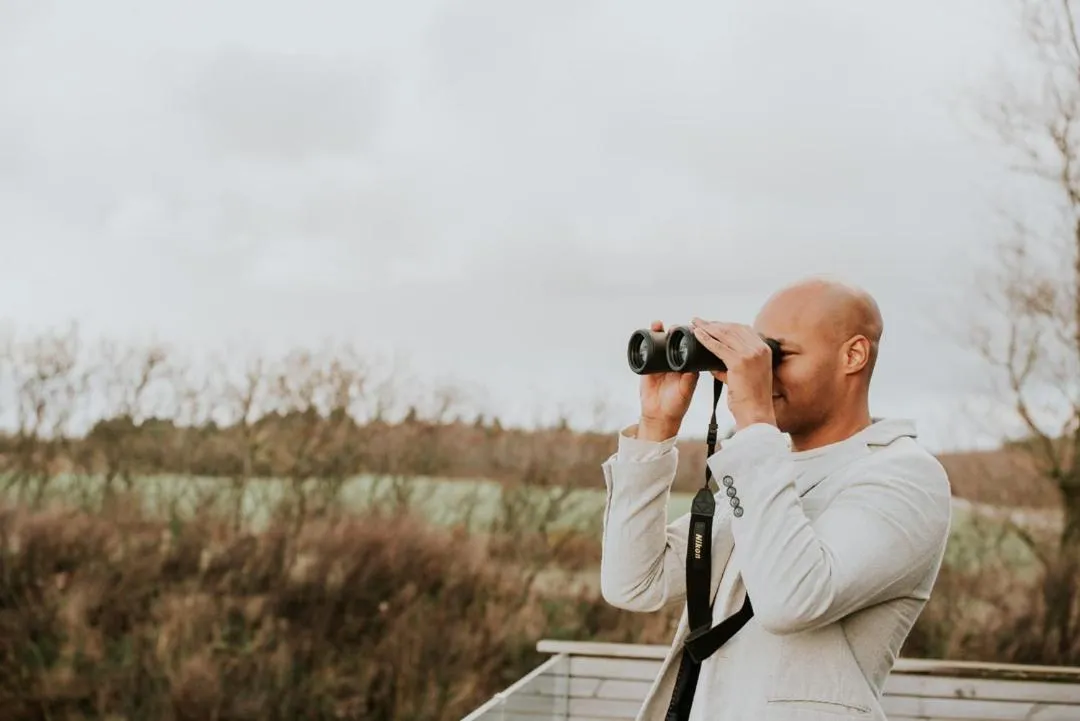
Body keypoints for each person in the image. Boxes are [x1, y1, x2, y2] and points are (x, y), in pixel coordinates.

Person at [599, 277, 952, 721]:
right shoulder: (763, 465)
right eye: (757, 355)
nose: (762, 374)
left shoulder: (903, 475)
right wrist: (656, 427)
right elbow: (634, 584)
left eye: (777, 355)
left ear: (853, 356)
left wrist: (753, 422)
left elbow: (792, 600)